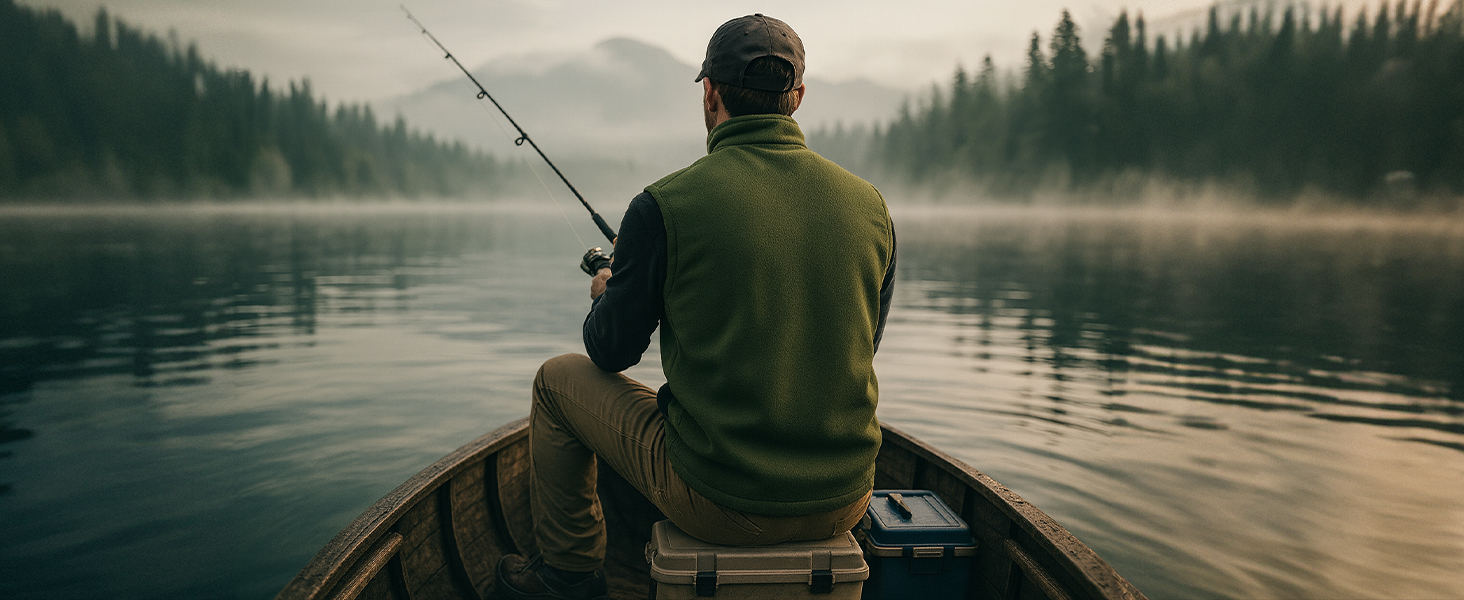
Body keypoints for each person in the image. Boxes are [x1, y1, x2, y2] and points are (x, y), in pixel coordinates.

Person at [497, 13, 896, 600]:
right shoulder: (872, 208)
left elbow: (609, 352)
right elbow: (860, 344)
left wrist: (610, 290)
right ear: (798, 97)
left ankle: (568, 577)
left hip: (717, 502)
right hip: (844, 501)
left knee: (556, 382)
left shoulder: (663, 204)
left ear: (709, 94)